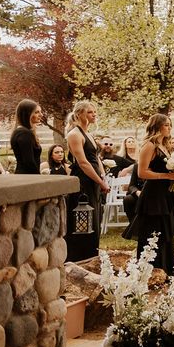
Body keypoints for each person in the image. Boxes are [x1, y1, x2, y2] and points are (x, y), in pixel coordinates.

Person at [123, 114, 174, 275]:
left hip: (165, 194)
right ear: (157, 127)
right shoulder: (149, 146)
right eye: (166, 125)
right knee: (153, 234)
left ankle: (167, 269)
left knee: (165, 234)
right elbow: (142, 172)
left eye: (170, 125)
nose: (169, 128)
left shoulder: (165, 145)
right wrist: (167, 176)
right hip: (153, 195)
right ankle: (150, 270)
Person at [65, 101, 110, 262]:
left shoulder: (88, 133)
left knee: (95, 218)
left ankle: (93, 255)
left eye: (95, 112)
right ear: (79, 115)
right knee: (83, 220)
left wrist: (103, 176)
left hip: (94, 181)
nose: (94, 115)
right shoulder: (74, 134)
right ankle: (80, 257)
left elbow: (96, 158)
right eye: (90, 112)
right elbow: (83, 162)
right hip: (83, 181)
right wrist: (100, 181)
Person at [10, 99, 43, 174]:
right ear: (28, 114)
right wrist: (39, 178)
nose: (41, 115)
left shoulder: (21, 132)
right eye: (37, 112)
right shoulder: (24, 133)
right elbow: (28, 162)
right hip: (27, 177)